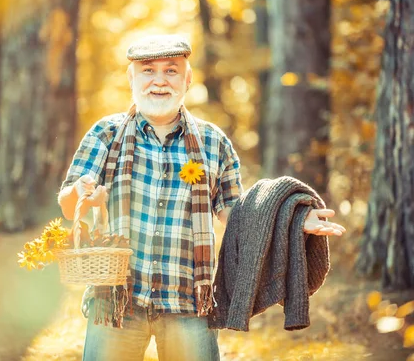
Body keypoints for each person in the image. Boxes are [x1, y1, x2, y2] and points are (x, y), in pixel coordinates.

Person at [57, 34, 346, 361]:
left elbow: (237, 214)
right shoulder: (105, 134)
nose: (159, 81)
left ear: (188, 79)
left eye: (171, 71)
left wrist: (293, 219)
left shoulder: (213, 142)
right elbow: (69, 206)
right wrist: (79, 192)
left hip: (189, 302)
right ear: (132, 78)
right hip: (116, 302)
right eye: (148, 71)